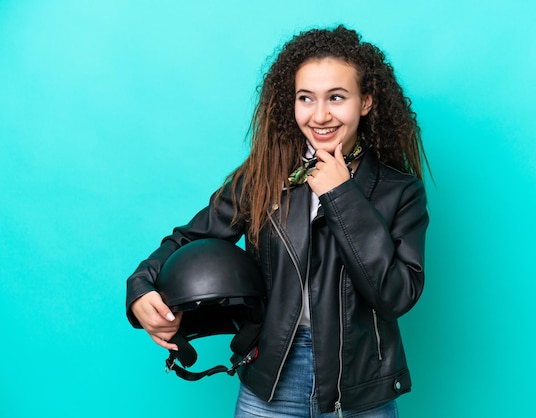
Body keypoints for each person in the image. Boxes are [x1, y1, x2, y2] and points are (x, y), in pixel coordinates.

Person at [126, 24, 429, 417]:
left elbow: (396, 294)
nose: (320, 115)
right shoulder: (264, 175)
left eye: (337, 97)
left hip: (359, 382)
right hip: (273, 370)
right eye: (306, 98)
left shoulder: (400, 192)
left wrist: (341, 195)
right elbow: (189, 238)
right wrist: (141, 289)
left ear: (366, 102)